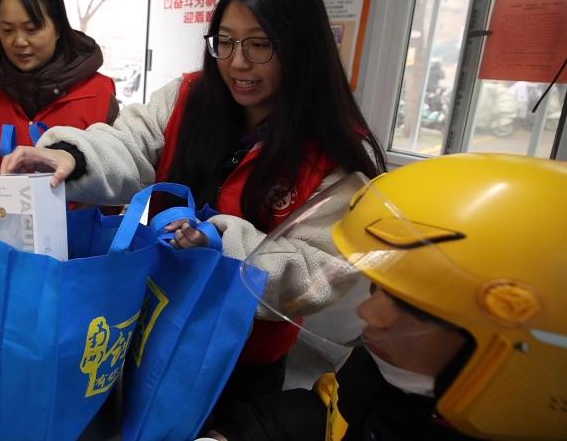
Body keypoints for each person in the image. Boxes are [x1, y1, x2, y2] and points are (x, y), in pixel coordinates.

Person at [1, 0, 386, 406]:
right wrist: (72, 154)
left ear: (301, 47)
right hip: (154, 321)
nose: (237, 62)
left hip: (242, 357)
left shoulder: (336, 152)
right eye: (225, 41)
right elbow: (130, 142)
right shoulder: (187, 96)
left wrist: (221, 244)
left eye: (260, 44)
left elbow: (316, 272)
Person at [206, 153, 567, 440]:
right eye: (379, 287)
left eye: (413, 303)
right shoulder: (388, 366)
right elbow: (325, 411)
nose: (369, 311)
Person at [0, 0, 119, 172]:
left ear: (58, 28)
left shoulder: (99, 93)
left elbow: (118, 172)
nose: (19, 41)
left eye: (31, 29)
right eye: (8, 30)